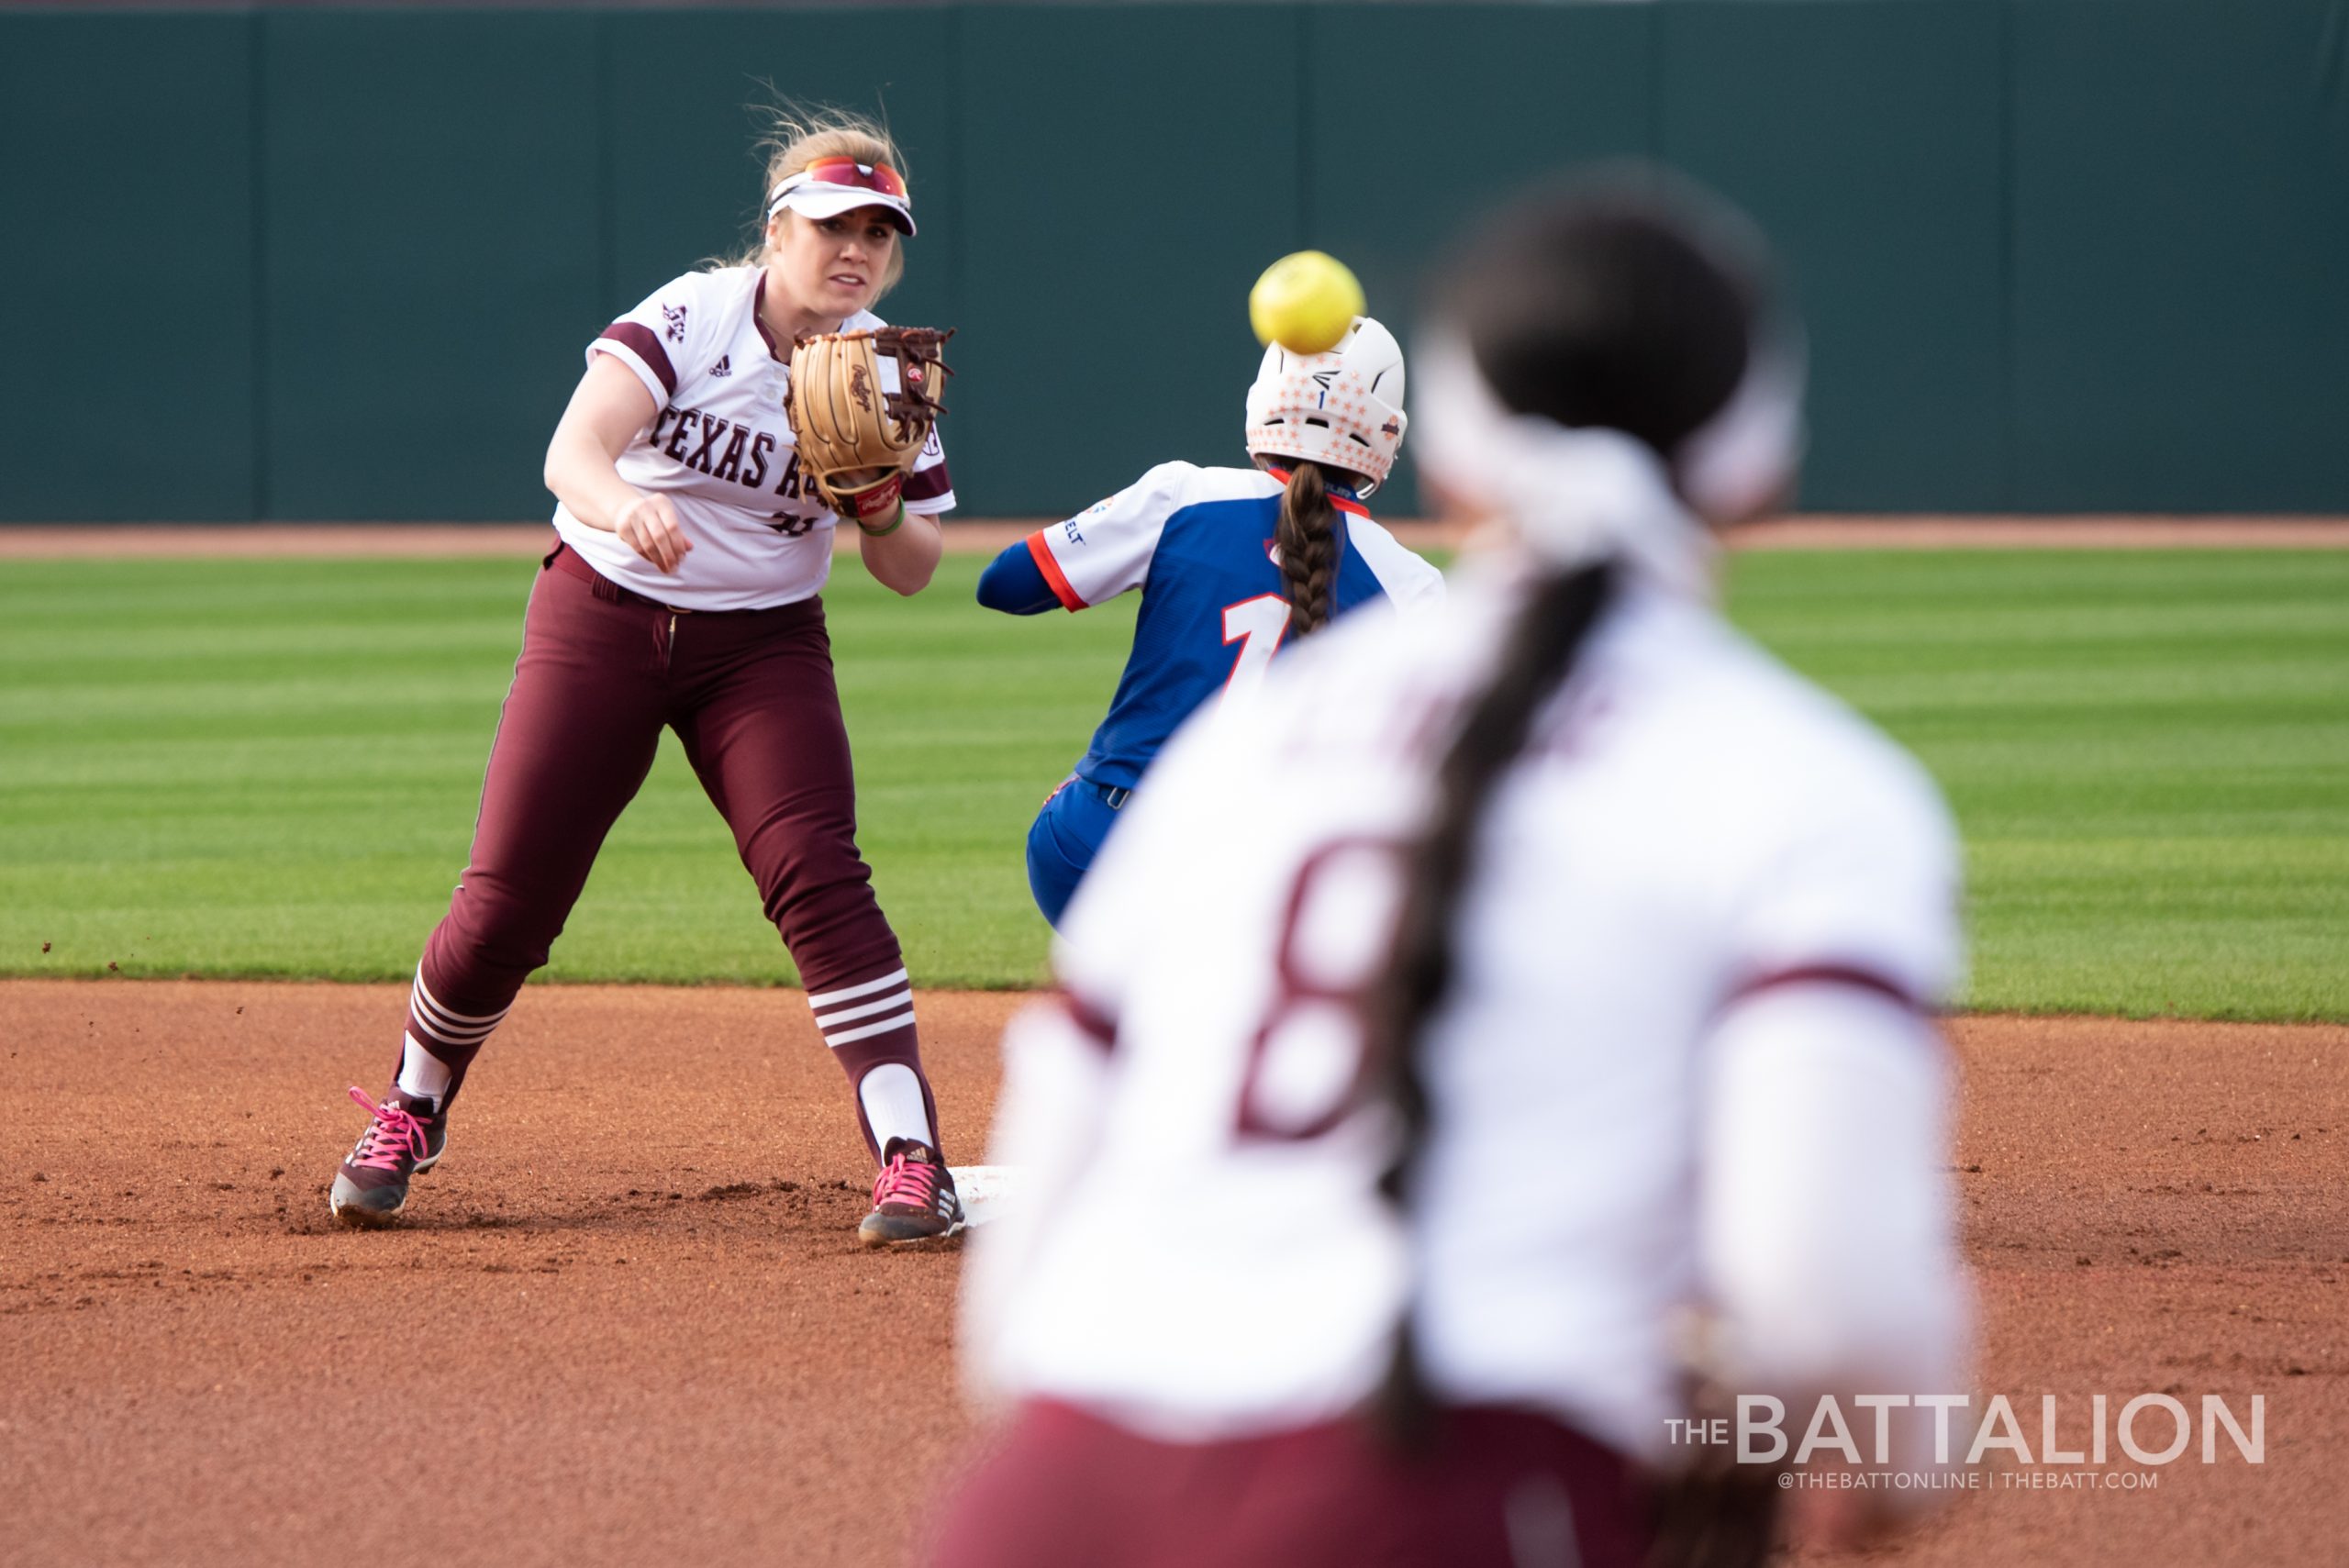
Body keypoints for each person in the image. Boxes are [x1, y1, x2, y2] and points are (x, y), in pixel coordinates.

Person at [937, 175, 1971, 1566]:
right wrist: (1885, 1471)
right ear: (1759, 466)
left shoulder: (1252, 751)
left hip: (1054, 1497)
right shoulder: (1807, 782)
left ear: (1466, 462)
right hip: (1439, 1492)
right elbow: (1828, 1297)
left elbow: (1016, 1310)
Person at [328, 109, 964, 1246]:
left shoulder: (887, 369)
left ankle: (912, 1157)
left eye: (880, 229)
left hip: (762, 645)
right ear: (777, 232)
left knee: (817, 873)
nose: (855, 247)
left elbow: (912, 567)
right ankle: (410, 1107)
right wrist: (625, 502)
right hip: (602, 617)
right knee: (509, 895)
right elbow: (570, 452)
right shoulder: (691, 314)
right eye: (832, 224)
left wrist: (874, 505)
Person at [974, 316, 1442, 928]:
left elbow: (1004, 585)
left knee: (1087, 814)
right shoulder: (1412, 587)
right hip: (1257, 891)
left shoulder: (1184, 495)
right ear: (1385, 432)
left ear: (1264, 402)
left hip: (1095, 849)